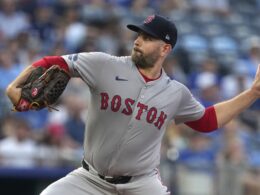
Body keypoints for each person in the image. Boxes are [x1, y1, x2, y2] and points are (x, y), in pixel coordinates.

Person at [5, 14, 260, 195]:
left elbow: (206, 121)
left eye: (148, 37)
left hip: (141, 185)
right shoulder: (104, 64)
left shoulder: (175, 92)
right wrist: (15, 85)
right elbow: (56, 62)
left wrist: (252, 93)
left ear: (165, 48)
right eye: (139, 34)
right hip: (90, 180)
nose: (138, 40)